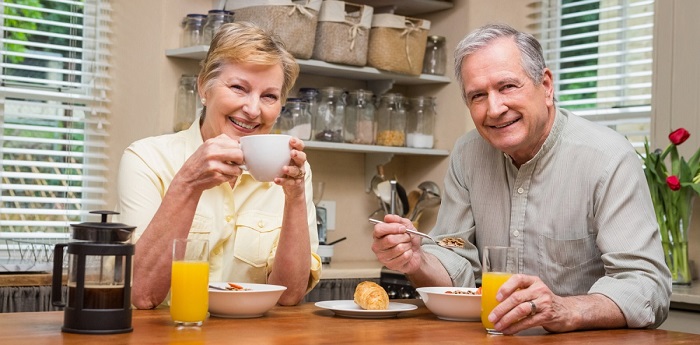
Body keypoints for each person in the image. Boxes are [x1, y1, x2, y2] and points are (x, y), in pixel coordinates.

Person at [371, 23, 671, 334]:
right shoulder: (467, 154)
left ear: (546, 85)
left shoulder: (608, 157)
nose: (495, 108)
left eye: (507, 87)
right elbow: (454, 254)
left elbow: (647, 286)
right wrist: (415, 260)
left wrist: (566, 309)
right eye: (478, 96)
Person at [116, 22, 321, 309]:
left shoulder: (292, 172)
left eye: (269, 96)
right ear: (204, 87)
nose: (252, 109)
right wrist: (188, 183)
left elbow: (289, 296)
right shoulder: (146, 159)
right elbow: (143, 295)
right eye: (239, 88)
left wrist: (295, 196)